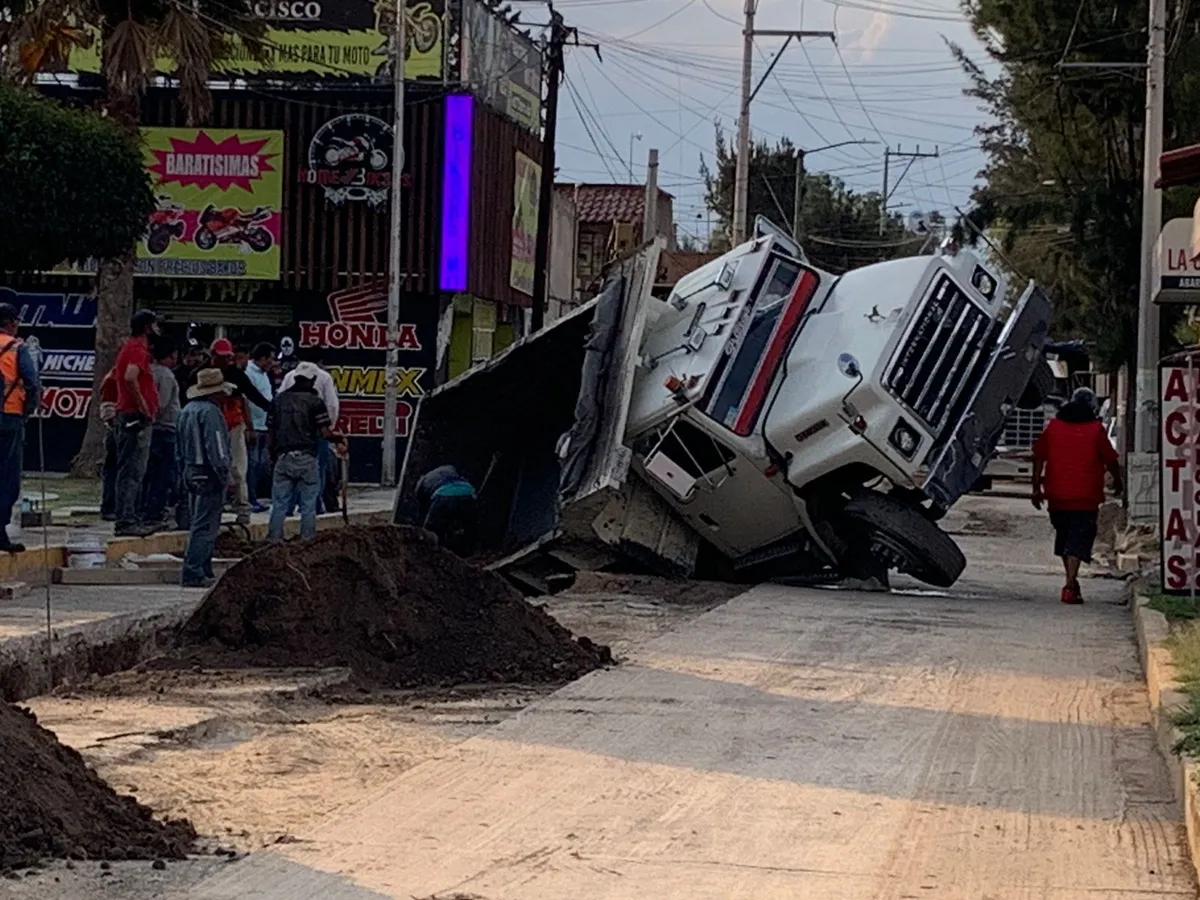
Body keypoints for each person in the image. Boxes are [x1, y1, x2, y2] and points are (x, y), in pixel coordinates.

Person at [1032, 386, 1123, 605]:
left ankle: (1070, 581)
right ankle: (1070, 584)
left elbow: (1038, 456)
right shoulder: (1095, 430)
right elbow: (1110, 459)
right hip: (1086, 497)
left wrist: (1036, 487)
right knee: (1077, 541)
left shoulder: (1053, 427)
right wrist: (1118, 482)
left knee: (1066, 539)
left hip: (1057, 495)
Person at [197, 338, 271, 525]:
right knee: (208, 467)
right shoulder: (200, 375)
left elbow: (252, 396)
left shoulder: (236, 375)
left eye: (226, 358)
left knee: (238, 468)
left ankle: (242, 505)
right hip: (208, 426)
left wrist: (271, 410)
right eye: (220, 357)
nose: (224, 361)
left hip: (233, 426)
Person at [267, 362, 342, 543]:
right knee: (308, 504)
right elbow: (325, 432)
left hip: (283, 456)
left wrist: (272, 455)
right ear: (313, 380)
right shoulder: (315, 402)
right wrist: (339, 438)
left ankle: (274, 541)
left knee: (279, 503)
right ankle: (307, 541)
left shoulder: (278, 401)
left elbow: (270, 430)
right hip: (307, 457)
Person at [176, 368, 232, 588]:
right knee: (206, 526)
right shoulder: (210, 413)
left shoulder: (187, 410)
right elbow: (216, 448)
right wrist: (225, 475)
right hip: (208, 473)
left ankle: (203, 568)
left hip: (190, 471)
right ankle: (194, 571)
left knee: (197, 522)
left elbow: (178, 447)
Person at [113, 309, 161, 537]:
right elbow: (130, 378)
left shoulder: (131, 347)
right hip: (134, 417)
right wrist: (144, 408)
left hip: (129, 414)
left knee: (130, 470)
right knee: (133, 470)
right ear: (146, 328)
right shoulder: (137, 349)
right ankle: (126, 520)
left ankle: (128, 516)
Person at [0, 303, 41, 554]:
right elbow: (32, 382)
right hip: (9, 418)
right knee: (7, 477)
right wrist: (28, 410)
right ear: (11, 323)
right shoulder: (17, 348)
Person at [280, 350, 339, 514]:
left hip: (290, 434)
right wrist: (328, 429)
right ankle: (313, 506)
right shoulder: (324, 377)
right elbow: (332, 406)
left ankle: (289, 507)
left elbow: (279, 401)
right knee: (316, 470)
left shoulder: (289, 376)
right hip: (316, 433)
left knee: (289, 471)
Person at [139, 336, 181, 528]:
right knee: (162, 475)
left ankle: (144, 510)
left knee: (149, 473)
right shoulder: (165, 375)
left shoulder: (148, 371)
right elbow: (162, 403)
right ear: (171, 355)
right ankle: (153, 514)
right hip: (164, 429)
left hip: (152, 428)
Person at [415, 465, 478, 557]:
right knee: (470, 527)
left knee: (431, 529)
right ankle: (471, 552)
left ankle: (428, 555)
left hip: (443, 496)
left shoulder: (422, 482)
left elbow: (423, 505)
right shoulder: (449, 468)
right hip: (468, 491)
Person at [244, 342, 275, 513]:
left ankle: (254, 497)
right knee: (252, 464)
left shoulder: (264, 375)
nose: (272, 364)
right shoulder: (248, 373)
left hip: (263, 425)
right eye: (269, 359)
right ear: (262, 358)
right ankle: (249, 498)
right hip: (253, 426)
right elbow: (247, 400)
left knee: (261, 464)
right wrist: (249, 427)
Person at [98, 367, 120, 522]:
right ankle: (109, 507)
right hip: (116, 429)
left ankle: (112, 506)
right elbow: (107, 409)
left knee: (113, 470)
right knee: (113, 469)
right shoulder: (113, 378)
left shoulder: (113, 376)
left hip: (117, 427)